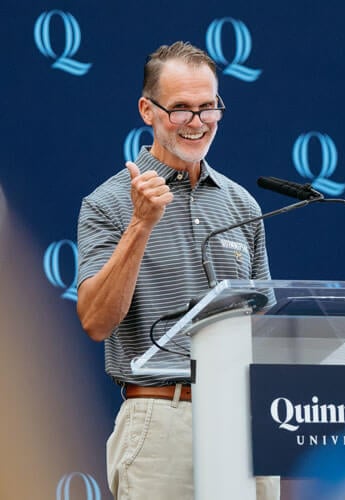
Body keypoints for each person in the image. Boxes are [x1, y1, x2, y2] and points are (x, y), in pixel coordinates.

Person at [77, 41, 279, 499]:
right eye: (181, 110)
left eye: (209, 108)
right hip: (163, 416)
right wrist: (141, 224)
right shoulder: (108, 203)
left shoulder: (242, 203)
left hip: (246, 420)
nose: (197, 123)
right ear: (147, 110)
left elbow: (263, 327)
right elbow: (94, 320)